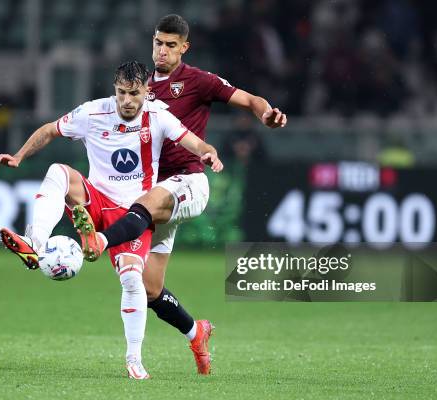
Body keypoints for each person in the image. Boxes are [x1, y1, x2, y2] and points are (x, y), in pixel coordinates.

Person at [75, 14, 287, 376]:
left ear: (184, 48)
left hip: (188, 183)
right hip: (153, 193)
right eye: (158, 42)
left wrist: (266, 114)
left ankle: (98, 239)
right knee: (148, 288)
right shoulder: (137, 85)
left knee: (142, 207)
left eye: (171, 45)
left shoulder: (199, 81)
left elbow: (250, 100)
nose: (162, 50)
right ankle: (196, 331)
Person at [0, 61, 223, 380]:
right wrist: (18, 156)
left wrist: (207, 151)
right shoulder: (92, 112)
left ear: (146, 91)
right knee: (58, 172)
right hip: (96, 200)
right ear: (114, 89)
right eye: (121, 93)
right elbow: (49, 130)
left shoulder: (157, 116)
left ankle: (138, 358)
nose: (127, 100)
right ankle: (35, 243)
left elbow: (192, 141)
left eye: (134, 93)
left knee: (138, 281)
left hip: (134, 213)